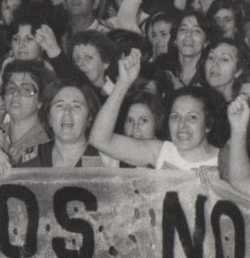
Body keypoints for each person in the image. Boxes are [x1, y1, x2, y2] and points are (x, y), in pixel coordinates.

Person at [90, 50, 220, 169]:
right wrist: (123, 83)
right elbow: (99, 139)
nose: (181, 125)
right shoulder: (161, 152)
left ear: (208, 124)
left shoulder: (226, 160)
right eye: (175, 117)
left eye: (192, 117)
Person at [16, 79, 106, 168]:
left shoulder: (104, 160)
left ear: (89, 118)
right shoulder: (32, 159)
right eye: (59, 105)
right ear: (48, 117)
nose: (67, 111)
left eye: (76, 106)